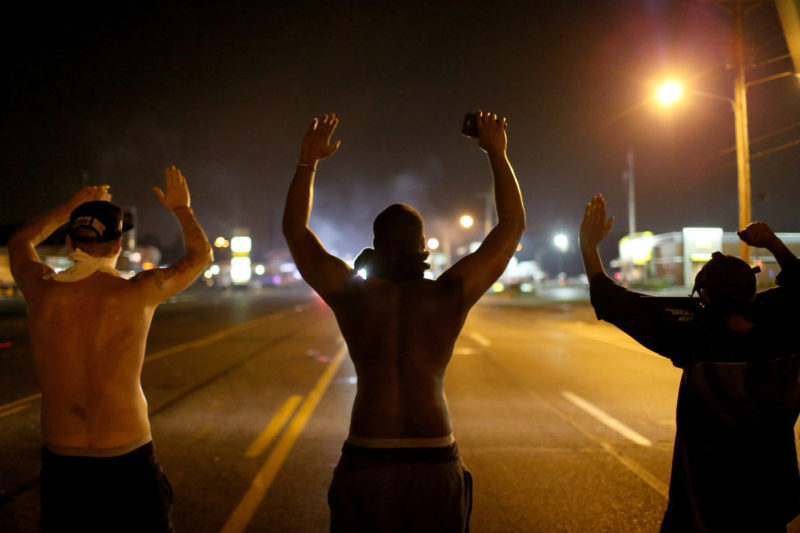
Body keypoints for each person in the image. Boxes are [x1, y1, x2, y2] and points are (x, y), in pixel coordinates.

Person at [282, 112, 525, 532]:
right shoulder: (446, 296)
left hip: (367, 453)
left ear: (375, 245)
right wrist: (497, 153)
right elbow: (510, 228)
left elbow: (296, 231)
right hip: (432, 455)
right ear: (422, 247)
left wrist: (308, 162)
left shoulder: (353, 296)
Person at [8, 166, 213, 532]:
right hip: (128, 455)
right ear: (118, 246)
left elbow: (20, 242)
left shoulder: (41, 290)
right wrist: (182, 208)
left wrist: (71, 206)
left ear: (70, 242)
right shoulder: (139, 291)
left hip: (63, 459)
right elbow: (201, 256)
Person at [579, 194, 800, 532]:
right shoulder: (784, 323)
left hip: (701, 508)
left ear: (704, 296)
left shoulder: (693, 331)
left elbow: (613, 300)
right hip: (770, 503)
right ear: (752, 290)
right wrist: (772, 244)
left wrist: (589, 246)